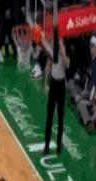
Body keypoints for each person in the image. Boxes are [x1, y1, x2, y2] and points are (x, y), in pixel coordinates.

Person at [43, 26, 69, 155]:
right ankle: (47, 145)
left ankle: (59, 145)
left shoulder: (64, 50)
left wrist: (63, 53)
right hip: (53, 83)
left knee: (60, 117)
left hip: (61, 85)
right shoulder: (52, 50)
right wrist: (45, 83)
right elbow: (48, 65)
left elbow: (68, 65)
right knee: (49, 116)